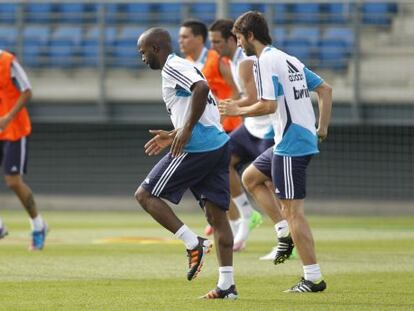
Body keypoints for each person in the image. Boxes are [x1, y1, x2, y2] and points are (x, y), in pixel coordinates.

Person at [221, 11, 332, 292]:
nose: (238, 44)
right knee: (250, 177)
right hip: (295, 139)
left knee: (294, 212)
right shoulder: (288, 58)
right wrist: (321, 129)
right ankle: (284, 233)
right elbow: (325, 89)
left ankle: (313, 278)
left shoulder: (265, 61)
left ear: (249, 35)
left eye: (238, 38)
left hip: (291, 145)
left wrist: (238, 109)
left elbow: (268, 105)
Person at [135, 27, 238, 299]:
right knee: (217, 216)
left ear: (156, 48)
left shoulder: (173, 66)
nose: (142, 57)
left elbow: (202, 89)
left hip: (197, 147)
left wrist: (187, 130)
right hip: (217, 144)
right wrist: (174, 133)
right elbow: (198, 99)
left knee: (145, 195)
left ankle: (194, 244)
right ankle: (227, 285)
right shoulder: (182, 66)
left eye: (142, 52)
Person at [209, 19, 288, 253]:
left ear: (234, 39)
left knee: (275, 188)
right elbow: (242, 93)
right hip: (251, 128)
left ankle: (287, 238)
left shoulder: (245, 62)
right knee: (222, 159)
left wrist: (229, 107)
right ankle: (247, 213)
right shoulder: (231, 61)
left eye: (218, 42)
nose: (214, 47)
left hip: (268, 129)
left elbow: (253, 98)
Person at [179, 19, 244, 238]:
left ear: (199, 38)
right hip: (208, 128)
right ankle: (229, 219)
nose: (181, 41)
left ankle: (239, 218)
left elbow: (236, 91)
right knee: (216, 176)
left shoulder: (216, 59)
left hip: (227, 126)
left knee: (223, 173)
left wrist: (222, 110)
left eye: (185, 36)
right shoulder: (186, 63)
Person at [0, 49, 47, 250]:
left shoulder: (7, 62)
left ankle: (38, 225)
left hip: (14, 129)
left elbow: (27, 91)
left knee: (13, 181)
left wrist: (8, 117)